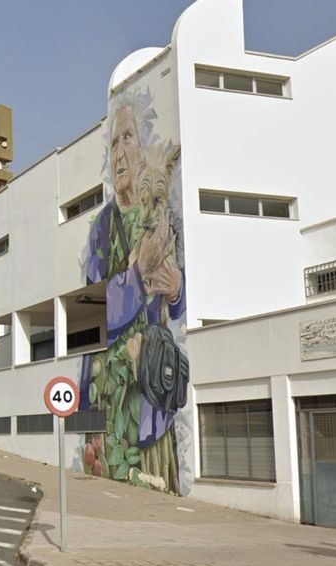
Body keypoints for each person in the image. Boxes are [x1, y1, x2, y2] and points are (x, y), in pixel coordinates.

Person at [78, 89, 187, 493]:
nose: (120, 152)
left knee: (160, 483)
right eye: (113, 143)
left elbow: (181, 303)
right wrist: (137, 276)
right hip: (109, 395)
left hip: (154, 393)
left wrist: (176, 290)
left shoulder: (162, 213)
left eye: (128, 138)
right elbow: (86, 315)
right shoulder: (101, 229)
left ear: (144, 149)